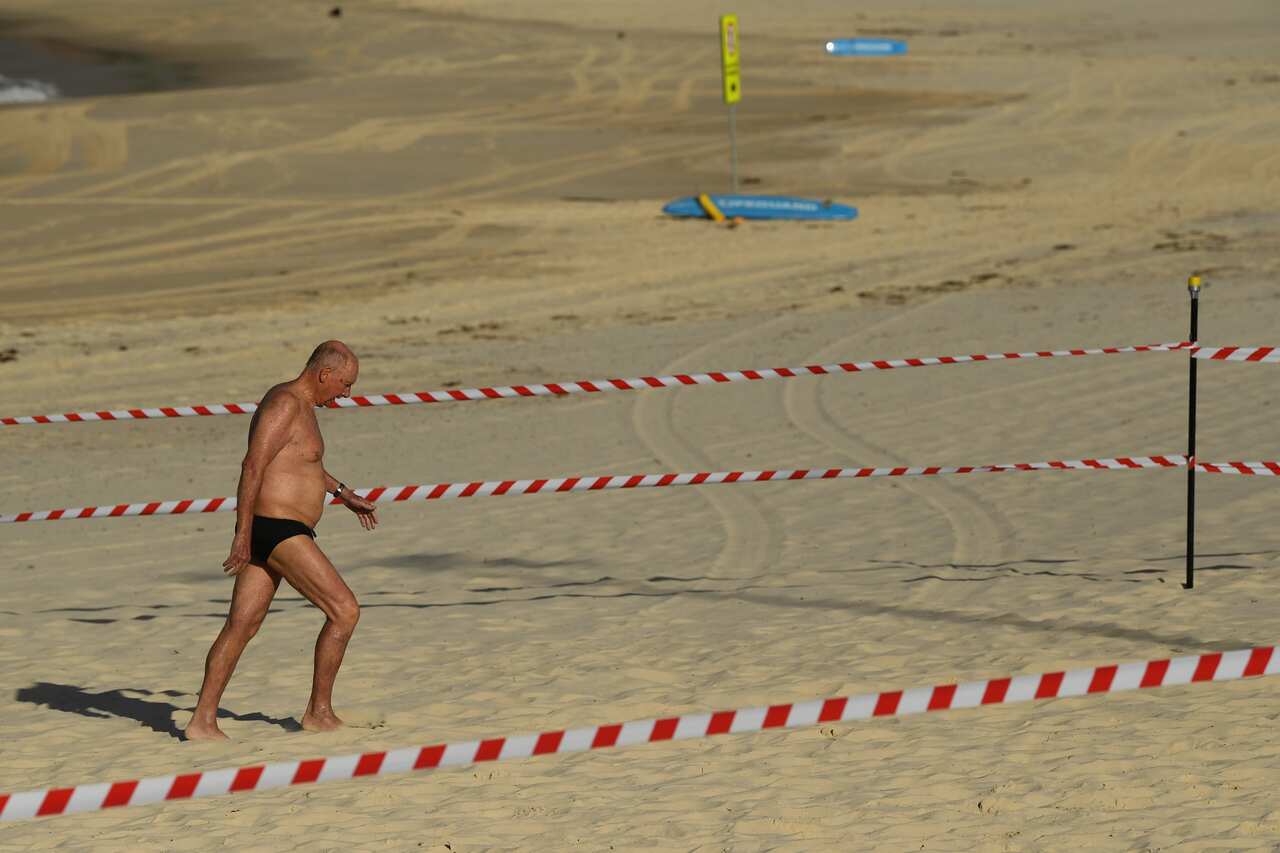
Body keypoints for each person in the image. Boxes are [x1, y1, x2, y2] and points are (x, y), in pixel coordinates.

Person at [184, 340, 379, 741]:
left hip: (278, 529)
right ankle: (318, 712)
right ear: (324, 374)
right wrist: (241, 535)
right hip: (277, 528)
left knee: (241, 625)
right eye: (344, 384)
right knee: (344, 611)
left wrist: (343, 493)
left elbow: (300, 464)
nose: (345, 394)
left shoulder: (302, 408)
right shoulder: (286, 403)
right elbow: (253, 463)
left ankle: (202, 721)